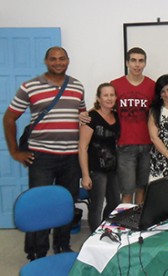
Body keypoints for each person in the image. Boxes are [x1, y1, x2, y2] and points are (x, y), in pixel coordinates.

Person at [3, 46, 85, 260]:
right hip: (42, 158)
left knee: (66, 203)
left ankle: (62, 245)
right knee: (40, 205)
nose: (58, 62)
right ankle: (37, 252)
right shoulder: (30, 87)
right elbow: (9, 118)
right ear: (46, 61)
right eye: (53, 59)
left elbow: (82, 118)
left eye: (62, 58)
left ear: (68, 60)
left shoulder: (77, 86)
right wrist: (14, 151)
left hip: (71, 157)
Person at [80, 47, 155, 204]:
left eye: (141, 61)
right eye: (133, 60)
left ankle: (138, 224)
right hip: (124, 146)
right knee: (127, 191)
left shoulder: (152, 86)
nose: (137, 64)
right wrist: (87, 113)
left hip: (147, 146)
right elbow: (105, 104)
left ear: (145, 63)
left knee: (142, 189)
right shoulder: (116, 85)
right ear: (127, 62)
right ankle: (126, 226)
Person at [78, 83, 121, 232]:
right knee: (96, 206)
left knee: (115, 203)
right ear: (98, 98)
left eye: (112, 95)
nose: (109, 98)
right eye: (105, 95)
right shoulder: (90, 118)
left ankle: (106, 230)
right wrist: (85, 176)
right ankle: (95, 238)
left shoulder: (116, 116)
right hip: (97, 171)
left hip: (113, 169)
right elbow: (82, 147)